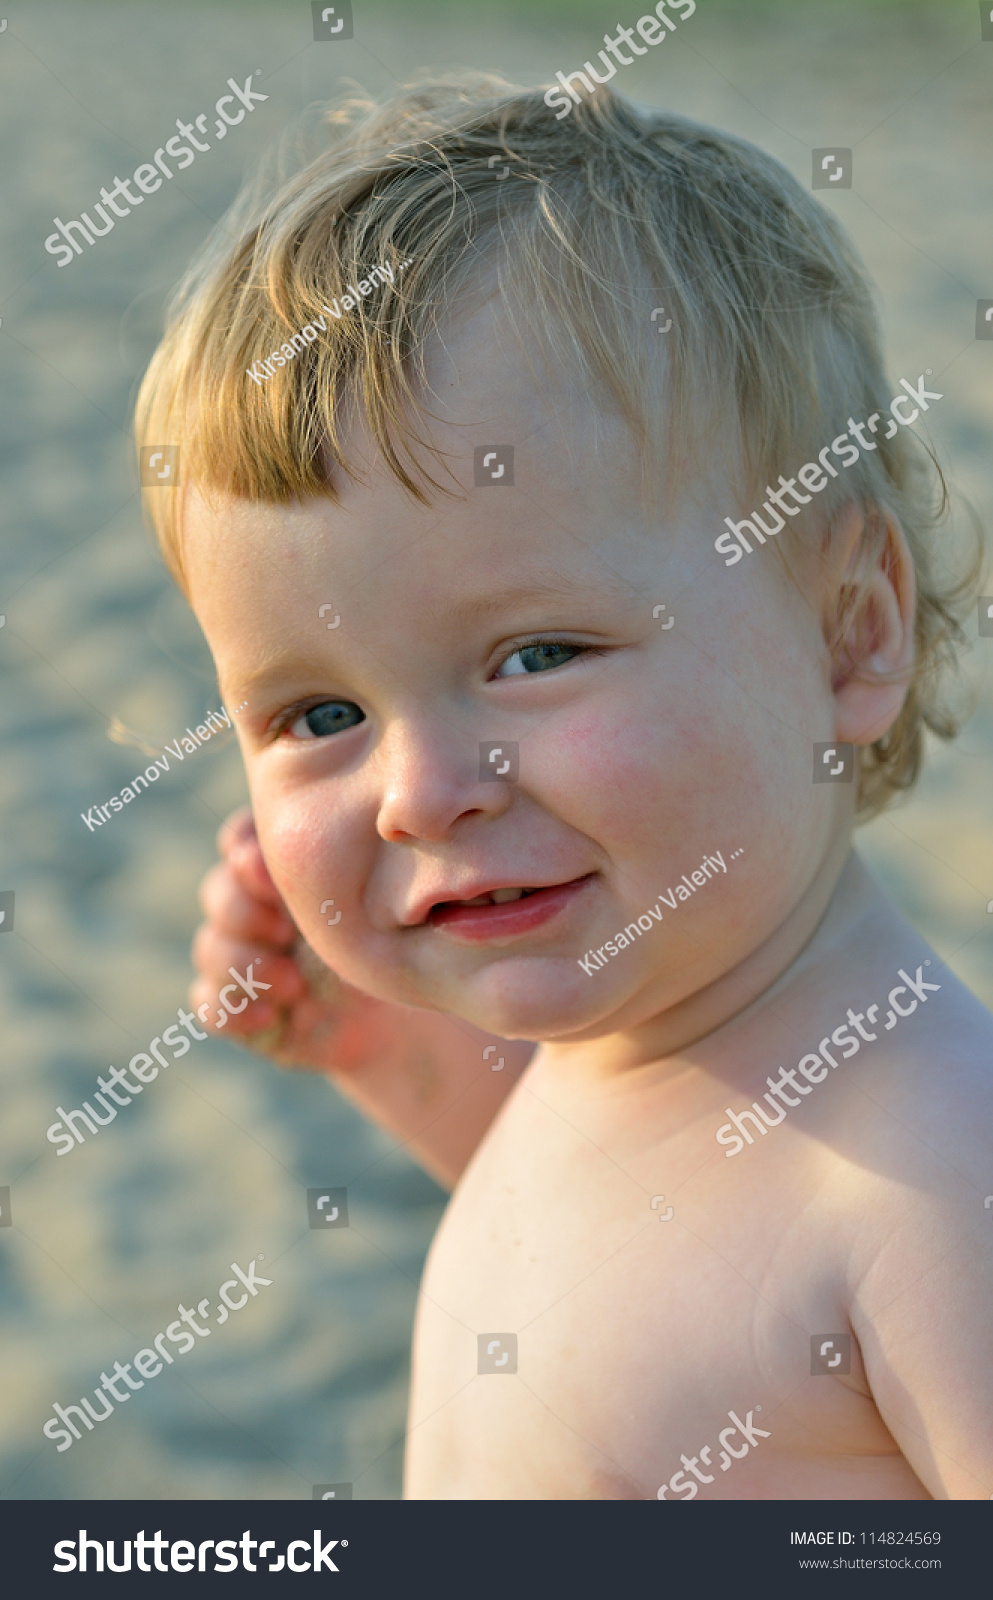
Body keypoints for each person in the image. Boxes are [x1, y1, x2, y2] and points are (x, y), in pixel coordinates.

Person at [135, 77, 992, 1499]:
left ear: (850, 629)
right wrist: (394, 1061)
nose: (419, 793)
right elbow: (616, 1262)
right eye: (321, 712)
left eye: (536, 655)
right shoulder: (627, 1046)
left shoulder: (925, 1177)